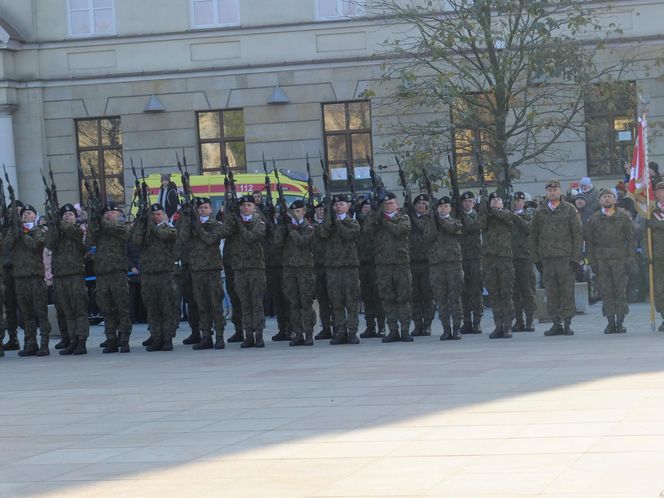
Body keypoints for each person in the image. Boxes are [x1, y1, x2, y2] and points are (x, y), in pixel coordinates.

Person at [178, 197, 234, 350]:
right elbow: (182, 238)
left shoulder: (216, 224)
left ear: (210, 210)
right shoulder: (191, 224)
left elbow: (210, 239)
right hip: (196, 270)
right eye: (200, 208)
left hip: (212, 269)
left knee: (216, 304)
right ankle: (206, 336)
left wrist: (198, 227)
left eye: (205, 207)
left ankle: (220, 336)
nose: (202, 210)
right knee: (201, 305)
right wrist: (187, 220)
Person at [530, 179, 583, 336]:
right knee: (551, 292)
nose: (552, 192)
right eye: (549, 190)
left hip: (565, 258)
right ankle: (556, 322)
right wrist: (536, 258)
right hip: (547, 259)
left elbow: (578, 235)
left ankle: (567, 322)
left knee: (567, 290)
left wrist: (576, 258)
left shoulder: (569, 209)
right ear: (547, 192)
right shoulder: (540, 211)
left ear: (560, 191)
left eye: (555, 189)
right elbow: (533, 236)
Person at [586, 189, 637, 333]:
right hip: (602, 261)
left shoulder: (623, 216)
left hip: (620, 260)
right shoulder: (594, 218)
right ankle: (610, 322)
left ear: (614, 200)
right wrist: (592, 261)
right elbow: (589, 242)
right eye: (604, 197)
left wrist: (630, 258)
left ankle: (620, 322)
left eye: (610, 196)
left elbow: (631, 239)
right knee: (606, 292)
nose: (607, 199)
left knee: (620, 291)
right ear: (600, 200)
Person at [4, 203, 52, 356]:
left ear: (35, 216)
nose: (25, 215)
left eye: (29, 213)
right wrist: (14, 229)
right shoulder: (15, 232)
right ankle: (30, 342)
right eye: (23, 213)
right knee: (26, 314)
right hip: (20, 278)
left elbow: (35, 245)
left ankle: (44, 343)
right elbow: (6, 246)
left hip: (35, 277)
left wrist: (22, 233)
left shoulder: (38, 231)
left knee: (41, 312)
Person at [365, 191, 413, 343]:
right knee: (388, 298)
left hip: (400, 264)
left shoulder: (403, 218)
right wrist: (374, 212)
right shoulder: (376, 220)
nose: (388, 206)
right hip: (383, 265)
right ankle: (393, 330)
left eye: (391, 203)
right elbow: (366, 230)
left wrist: (384, 220)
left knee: (403, 298)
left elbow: (399, 230)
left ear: (396, 205)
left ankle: (405, 330)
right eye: (385, 204)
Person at [129, 203, 178, 351]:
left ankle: (167, 338)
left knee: (167, 307)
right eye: (153, 214)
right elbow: (135, 240)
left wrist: (151, 227)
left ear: (163, 215)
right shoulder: (145, 230)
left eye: (158, 214)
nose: (156, 216)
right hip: (149, 274)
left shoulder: (168, 228)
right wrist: (141, 223)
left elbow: (165, 235)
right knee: (152, 308)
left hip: (165, 273)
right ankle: (156, 337)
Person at [87, 202, 132, 353]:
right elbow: (89, 240)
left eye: (112, 212)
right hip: (102, 273)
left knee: (122, 308)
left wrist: (101, 220)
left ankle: (124, 339)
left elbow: (119, 232)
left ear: (119, 214)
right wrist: (93, 219)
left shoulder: (122, 225)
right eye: (106, 212)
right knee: (106, 309)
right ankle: (111, 338)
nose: (109, 214)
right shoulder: (100, 228)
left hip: (118, 272)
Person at [45, 203, 89, 355]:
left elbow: (74, 232)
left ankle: (82, 341)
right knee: (67, 311)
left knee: (79, 310)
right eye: (64, 215)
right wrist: (53, 226)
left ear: (75, 217)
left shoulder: (78, 229)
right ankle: (72, 340)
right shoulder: (58, 231)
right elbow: (49, 244)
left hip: (75, 274)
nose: (66, 216)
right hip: (60, 276)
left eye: (70, 214)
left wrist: (59, 223)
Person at [318, 194, 361, 345]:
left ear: (348, 206)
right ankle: (341, 331)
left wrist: (337, 222)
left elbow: (349, 235)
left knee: (352, 302)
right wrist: (329, 220)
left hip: (349, 267)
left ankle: (352, 332)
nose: (338, 207)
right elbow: (322, 234)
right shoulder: (328, 223)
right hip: (333, 268)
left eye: (341, 204)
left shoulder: (353, 222)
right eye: (336, 205)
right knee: (336, 302)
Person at [226, 195, 267, 348]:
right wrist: (230, 217)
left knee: (256, 303)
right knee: (244, 303)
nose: (245, 208)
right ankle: (248, 334)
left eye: (249, 205)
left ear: (254, 207)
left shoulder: (260, 222)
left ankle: (259, 334)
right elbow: (224, 232)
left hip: (256, 268)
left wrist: (240, 224)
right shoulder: (235, 221)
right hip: (240, 268)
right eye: (243, 205)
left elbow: (250, 237)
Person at [275, 200, 316, 346]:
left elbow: (302, 241)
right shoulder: (287, 227)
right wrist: (281, 227)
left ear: (303, 212)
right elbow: (277, 243)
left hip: (304, 269)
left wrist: (292, 230)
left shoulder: (308, 227)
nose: (295, 214)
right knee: (293, 303)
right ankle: (298, 333)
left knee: (305, 303)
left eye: (298, 211)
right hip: (289, 269)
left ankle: (309, 333)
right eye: (293, 212)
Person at [424, 196, 464, 340]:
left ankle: (457, 328)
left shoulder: (456, 221)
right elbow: (428, 237)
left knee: (455, 297)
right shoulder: (431, 222)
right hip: (437, 265)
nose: (443, 208)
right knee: (441, 298)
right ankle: (446, 329)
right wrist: (433, 220)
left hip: (453, 263)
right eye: (440, 207)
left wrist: (438, 219)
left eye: (446, 206)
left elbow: (451, 229)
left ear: (450, 208)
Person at [479, 192, 515, 339]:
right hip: (489, 259)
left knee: (506, 292)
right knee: (494, 293)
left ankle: (508, 325)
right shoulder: (486, 215)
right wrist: (483, 206)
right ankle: (498, 325)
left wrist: (493, 209)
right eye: (493, 199)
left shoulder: (506, 213)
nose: (495, 201)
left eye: (498, 199)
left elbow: (508, 218)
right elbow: (479, 224)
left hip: (504, 258)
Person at [407, 193, 435, 337]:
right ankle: (417, 325)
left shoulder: (430, 219)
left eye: (424, 204)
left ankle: (427, 325)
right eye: (418, 203)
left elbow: (423, 228)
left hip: (427, 262)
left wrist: (412, 216)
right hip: (412, 262)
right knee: (415, 297)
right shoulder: (407, 218)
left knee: (428, 296)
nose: (421, 205)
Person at [357, 199, 385, 338]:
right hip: (362, 264)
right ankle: (370, 326)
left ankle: (381, 326)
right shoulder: (357, 223)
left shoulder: (376, 223)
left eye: (369, 207)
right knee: (366, 298)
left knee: (378, 296)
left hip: (375, 263)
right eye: (364, 207)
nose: (367, 209)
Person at [511, 192, 536, 332]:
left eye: (520, 201)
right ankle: (518, 320)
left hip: (525, 257)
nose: (517, 203)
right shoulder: (507, 216)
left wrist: (514, 216)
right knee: (514, 291)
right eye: (515, 200)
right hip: (511, 257)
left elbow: (528, 228)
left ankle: (530, 320)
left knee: (527, 290)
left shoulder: (528, 215)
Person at [459, 191, 483, 333]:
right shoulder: (457, 216)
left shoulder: (477, 216)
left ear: (474, 204)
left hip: (475, 257)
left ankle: (477, 321)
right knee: (463, 291)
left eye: (470, 201)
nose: (467, 204)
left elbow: (472, 227)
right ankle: (466, 321)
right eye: (465, 201)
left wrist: (464, 215)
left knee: (476, 291)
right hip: (461, 257)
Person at [312, 199, 334, 340]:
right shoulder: (310, 226)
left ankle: (338, 327)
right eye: (318, 209)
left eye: (323, 209)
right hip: (317, 267)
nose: (321, 211)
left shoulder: (331, 225)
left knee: (335, 299)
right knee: (323, 300)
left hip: (331, 266)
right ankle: (326, 328)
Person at [646, 182, 664, 331]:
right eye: (661, 191)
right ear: (656, 193)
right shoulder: (650, 211)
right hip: (658, 256)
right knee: (660, 288)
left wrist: (655, 224)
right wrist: (647, 254)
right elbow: (644, 235)